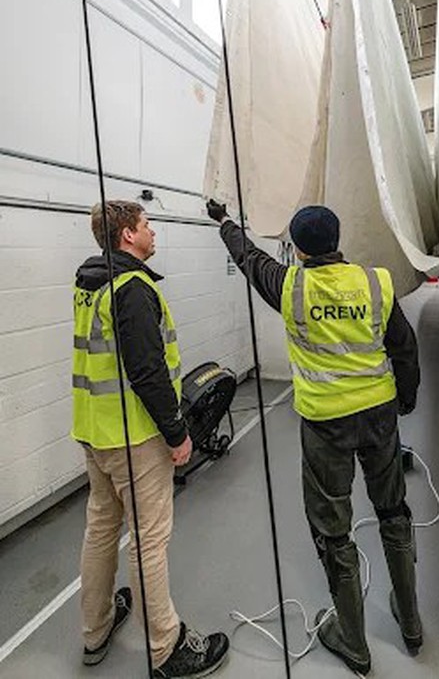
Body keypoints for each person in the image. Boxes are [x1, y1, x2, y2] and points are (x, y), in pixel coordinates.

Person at [207, 200, 422, 675]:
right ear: (338, 239)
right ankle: (411, 623)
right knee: (393, 512)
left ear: (298, 250)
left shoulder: (290, 287)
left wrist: (224, 222)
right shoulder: (376, 282)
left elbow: (249, 258)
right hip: (380, 416)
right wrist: (404, 400)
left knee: (333, 529)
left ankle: (353, 641)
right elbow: (404, 348)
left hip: (326, 425)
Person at [72, 200, 229, 678]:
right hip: (134, 438)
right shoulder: (133, 287)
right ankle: (166, 647)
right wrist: (178, 433)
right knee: (150, 539)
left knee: (101, 528)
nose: (153, 231)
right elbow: (147, 371)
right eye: (146, 225)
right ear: (126, 236)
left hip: (94, 431)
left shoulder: (90, 283)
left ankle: (95, 629)